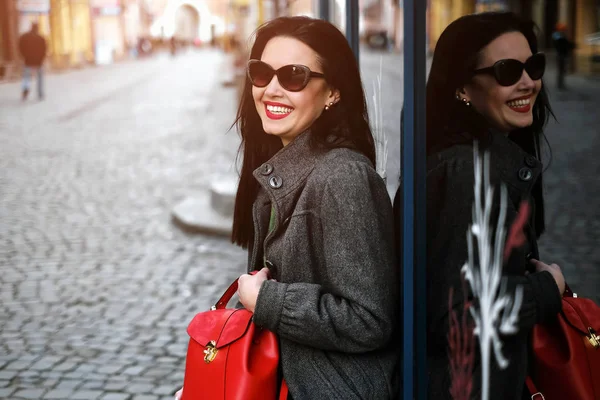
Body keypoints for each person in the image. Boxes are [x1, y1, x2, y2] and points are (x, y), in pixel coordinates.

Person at [175, 16, 400, 400]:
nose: (271, 89)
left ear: (332, 92)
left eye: (294, 76)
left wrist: (266, 301)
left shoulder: (342, 177)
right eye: (261, 73)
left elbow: (369, 320)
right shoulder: (281, 171)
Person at [394, 12, 565, 399]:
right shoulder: (467, 173)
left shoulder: (472, 161)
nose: (528, 82)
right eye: (507, 71)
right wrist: (545, 289)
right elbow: (455, 317)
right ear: (464, 89)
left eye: (533, 65)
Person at [18, 22, 47, 101]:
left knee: (26, 77)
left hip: (27, 60)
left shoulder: (24, 37)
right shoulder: (41, 38)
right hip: (38, 61)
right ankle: (40, 93)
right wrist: (42, 58)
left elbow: (20, 47)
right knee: (40, 78)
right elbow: (44, 50)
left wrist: (24, 56)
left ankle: (25, 91)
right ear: (37, 28)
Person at [552, 23, 574, 90]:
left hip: (563, 54)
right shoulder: (557, 35)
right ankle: (560, 84)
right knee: (561, 70)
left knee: (562, 70)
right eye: (563, 29)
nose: (564, 30)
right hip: (560, 54)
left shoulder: (561, 35)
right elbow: (562, 43)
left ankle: (561, 84)